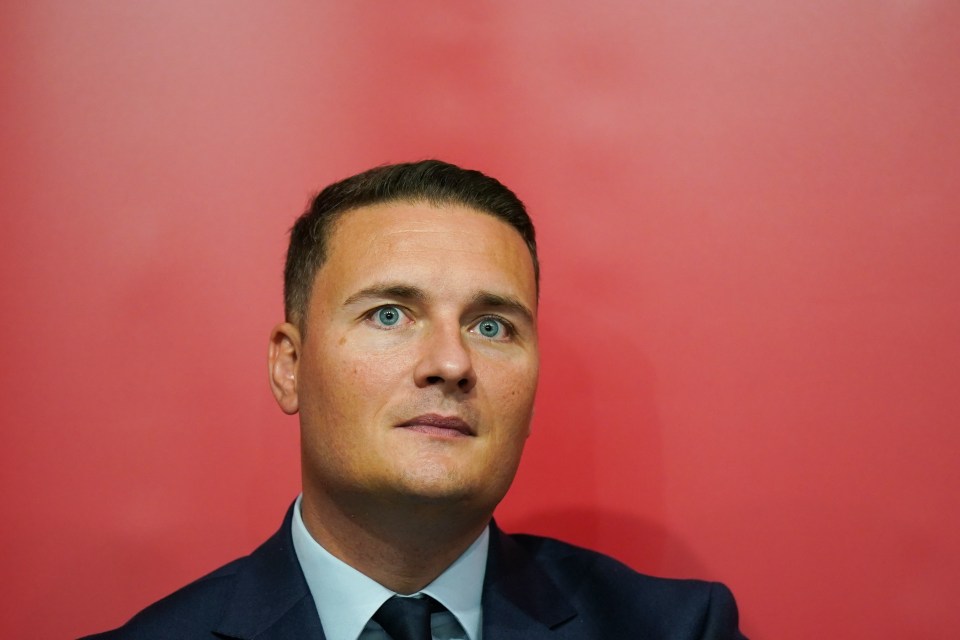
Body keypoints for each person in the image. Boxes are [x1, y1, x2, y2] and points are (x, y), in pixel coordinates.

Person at [84, 160, 747, 639]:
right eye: (390, 316)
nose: (452, 363)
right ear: (290, 366)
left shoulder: (678, 630)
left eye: (492, 327)